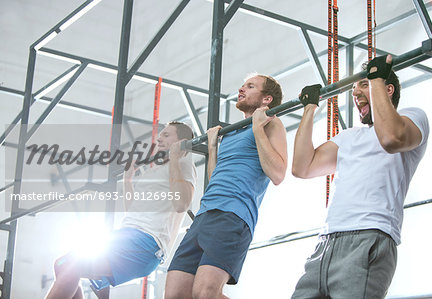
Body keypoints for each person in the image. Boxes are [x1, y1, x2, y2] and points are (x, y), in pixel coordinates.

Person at [291, 55, 429, 298]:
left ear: (388, 89)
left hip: (369, 235)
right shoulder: (349, 137)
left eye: (363, 85)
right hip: (325, 243)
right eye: (355, 89)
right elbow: (302, 167)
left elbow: (391, 139)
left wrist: (375, 77)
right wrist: (309, 109)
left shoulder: (413, 117)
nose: (356, 93)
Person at [164, 74, 288, 299]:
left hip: (233, 215)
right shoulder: (231, 133)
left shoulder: (271, 122)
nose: (241, 89)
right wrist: (213, 146)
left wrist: (258, 128)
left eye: (250, 86)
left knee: (205, 294)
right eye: (242, 85)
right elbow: (214, 180)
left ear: (266, 99)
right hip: (204, 215)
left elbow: (278, 174)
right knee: (175, 294)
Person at [46, 121, 197, 299]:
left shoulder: (182, 165)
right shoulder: (155, 170)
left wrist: (175, 158)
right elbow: (132, 212)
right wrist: (128, 179)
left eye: (166, 135)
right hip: (129, 234)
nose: (159, 138)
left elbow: (182, 205)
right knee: (62, 265)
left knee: (72, 264)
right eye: (160, 134)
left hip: (147, 243)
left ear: (182, 141)